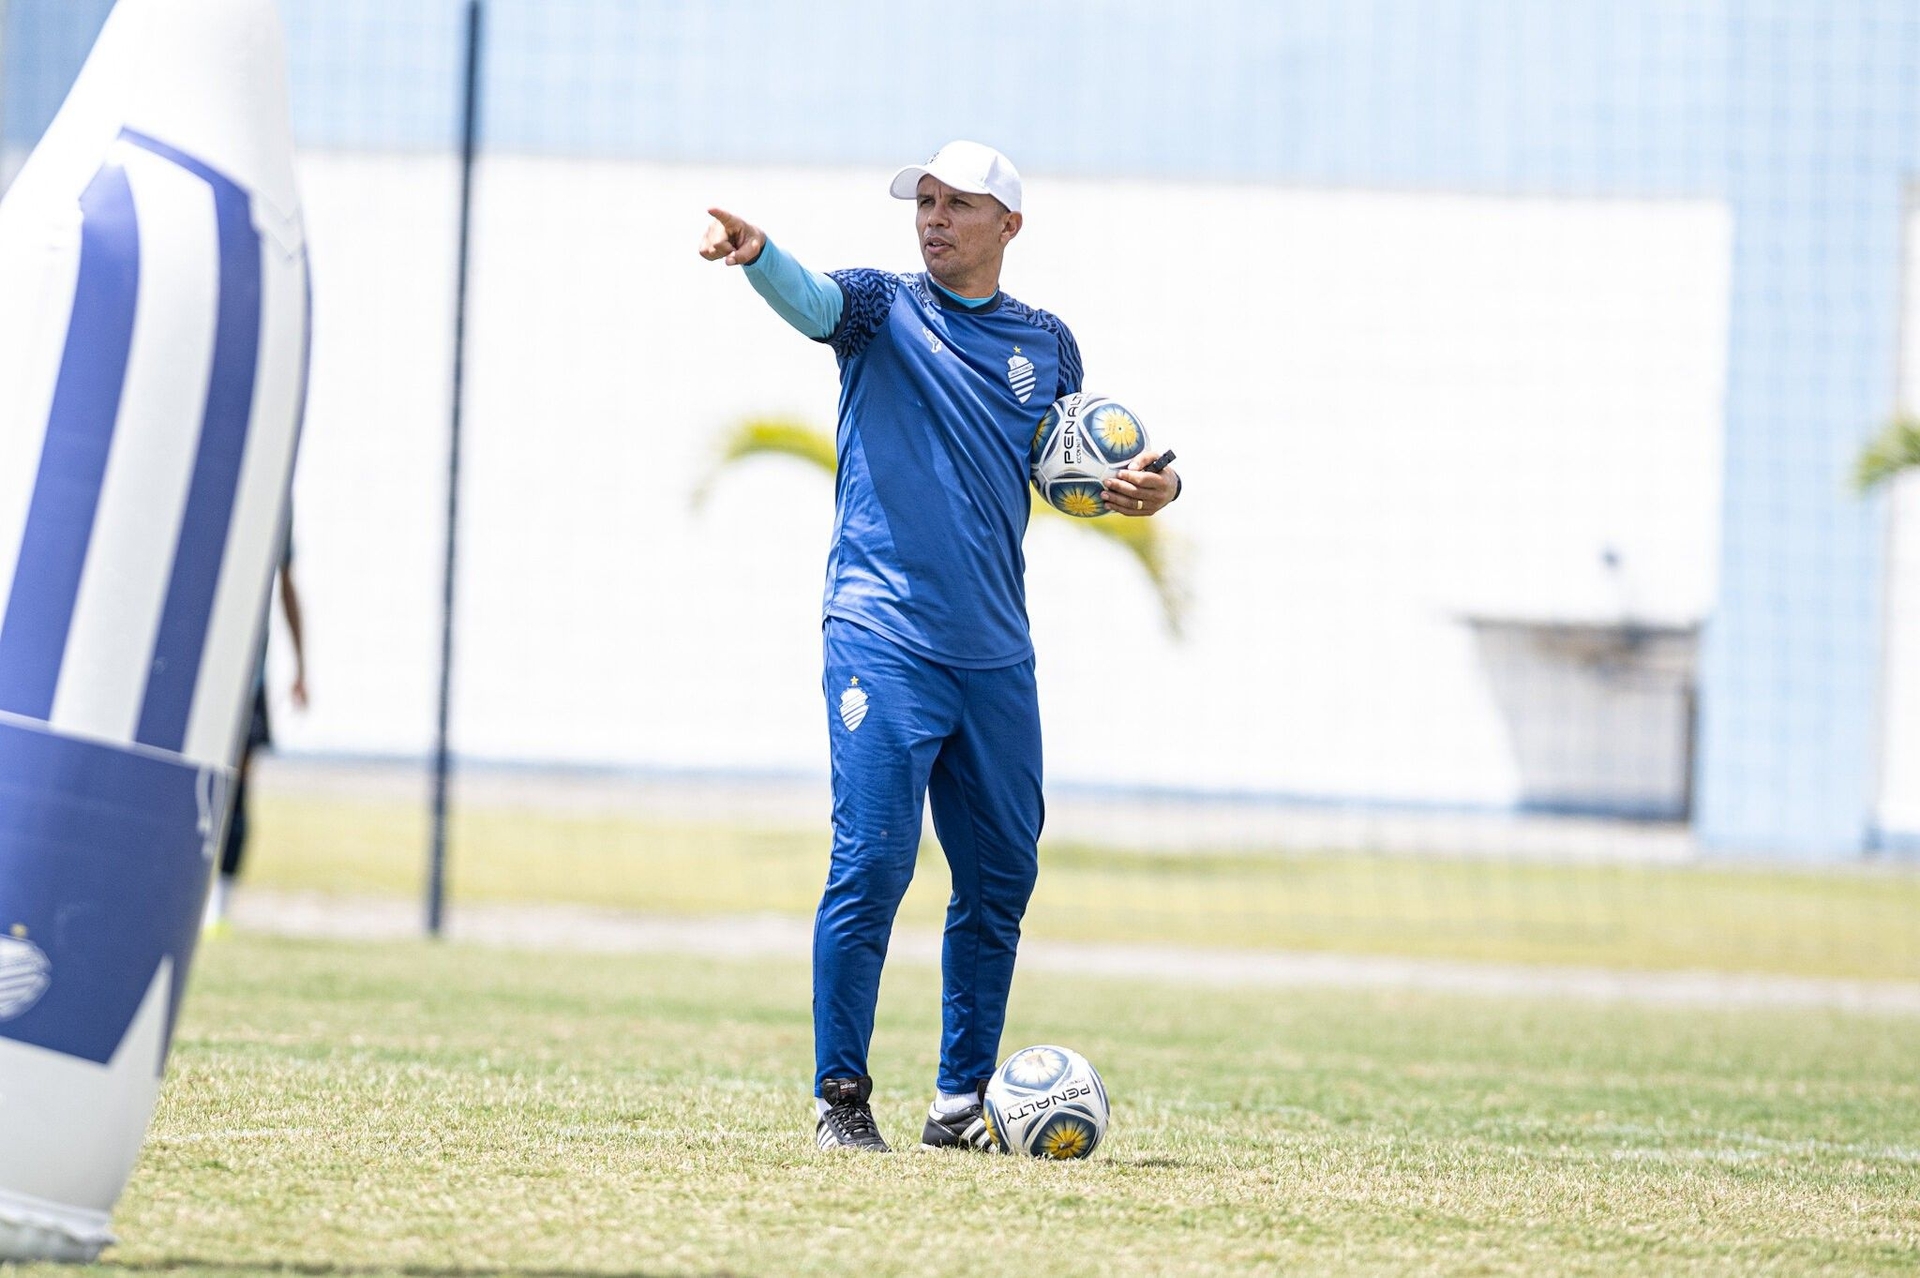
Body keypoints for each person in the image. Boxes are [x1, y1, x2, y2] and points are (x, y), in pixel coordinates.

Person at [699, 140, 1181, 1152]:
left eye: (957, 204)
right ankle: (841, 1100)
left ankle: (960, 1103)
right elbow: (815, 302)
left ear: (1009, 225)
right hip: (881, 634)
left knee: (1001, 877)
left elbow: (1069, 470)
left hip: (995, 655)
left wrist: (1150, 487)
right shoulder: (882, 308)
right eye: (924, 201)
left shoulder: (1048, 345)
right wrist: (760, 256)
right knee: (873, 863)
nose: (933, 218)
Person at [202, 538, 307, 934]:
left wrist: (300, 666)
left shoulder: (278, 509)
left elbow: (287, 583)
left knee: (238, 792)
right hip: (201, 673)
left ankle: (220, 905)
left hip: (249, 680)